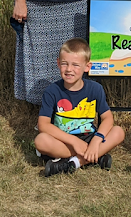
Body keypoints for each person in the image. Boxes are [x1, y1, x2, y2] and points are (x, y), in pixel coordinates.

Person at [34, 38, 125, 176]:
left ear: (87, 67)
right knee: (40, 141)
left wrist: (96, 141)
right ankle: (95, 157)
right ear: (58, 63)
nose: (69, 69)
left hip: (90, 137)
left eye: (75, 65)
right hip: (64, 141)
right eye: (64, 64)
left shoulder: (96, 89)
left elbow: (107, 118)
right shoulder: (52, 91)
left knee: (118, 132)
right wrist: (74, 141)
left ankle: (72, 163)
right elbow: (43, 125)